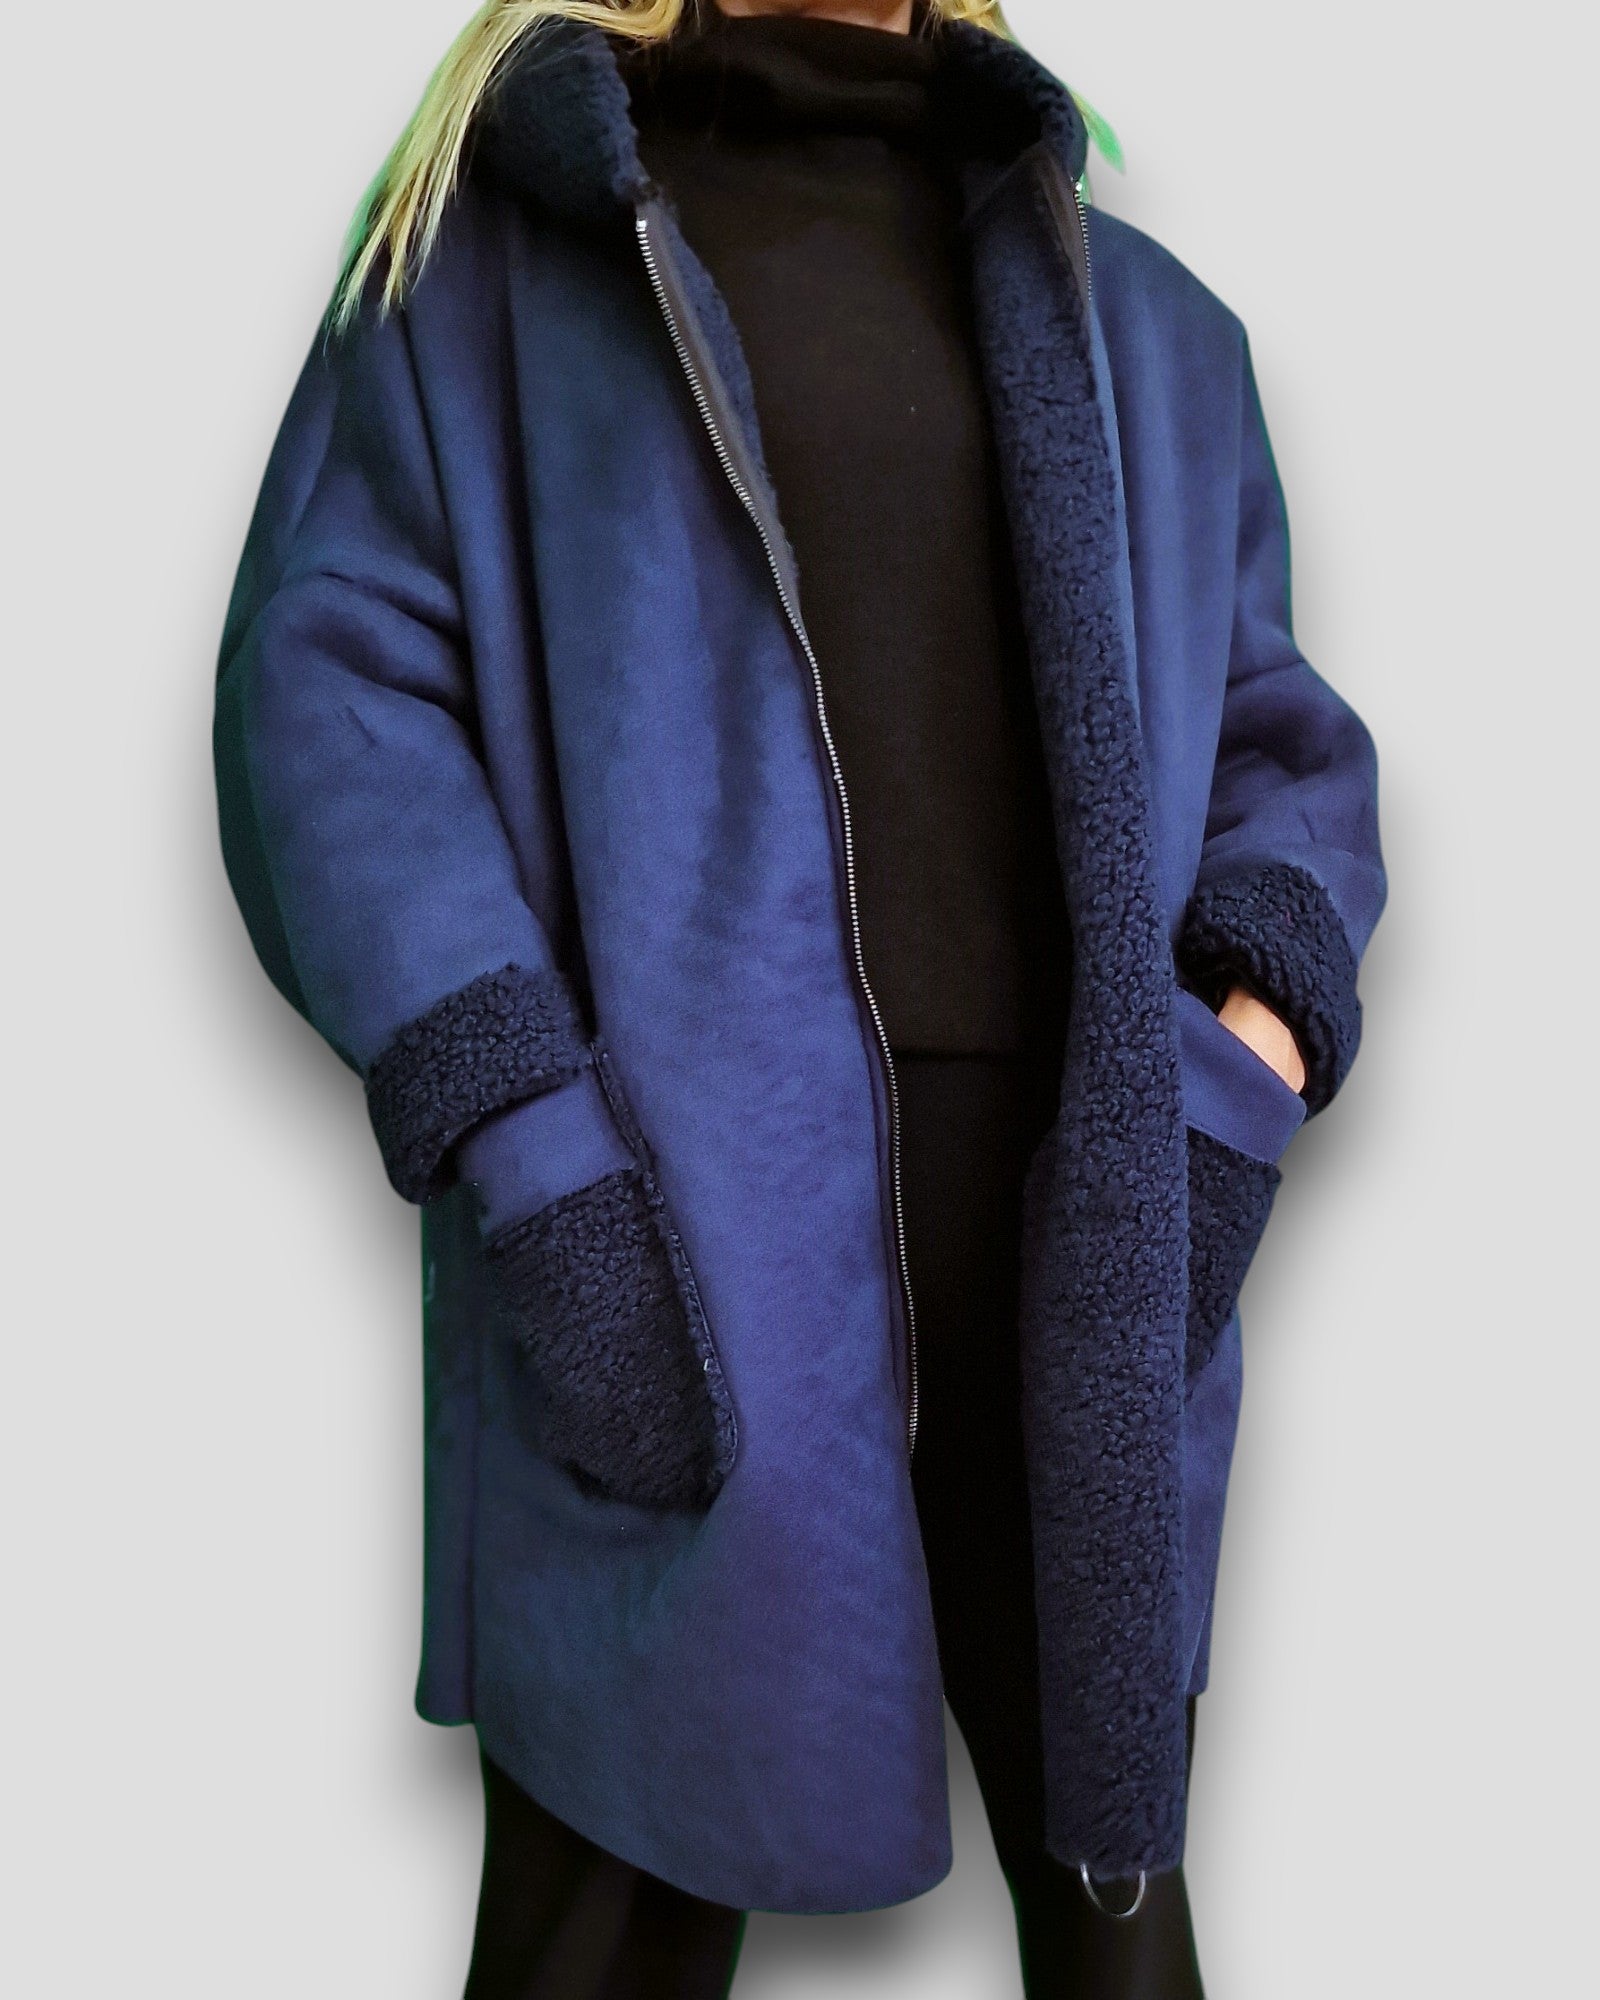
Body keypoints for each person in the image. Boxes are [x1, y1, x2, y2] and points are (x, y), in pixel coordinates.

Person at [212, 1, 1386, 1993]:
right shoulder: (486, 281)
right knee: (603, 1933)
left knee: (1121, 1941)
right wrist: (545, 1171)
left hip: (1075, 1246)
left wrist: (1224, 1103)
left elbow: (1288, 754)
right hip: (675, 1231)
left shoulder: (1154, 330)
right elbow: (326, 721)